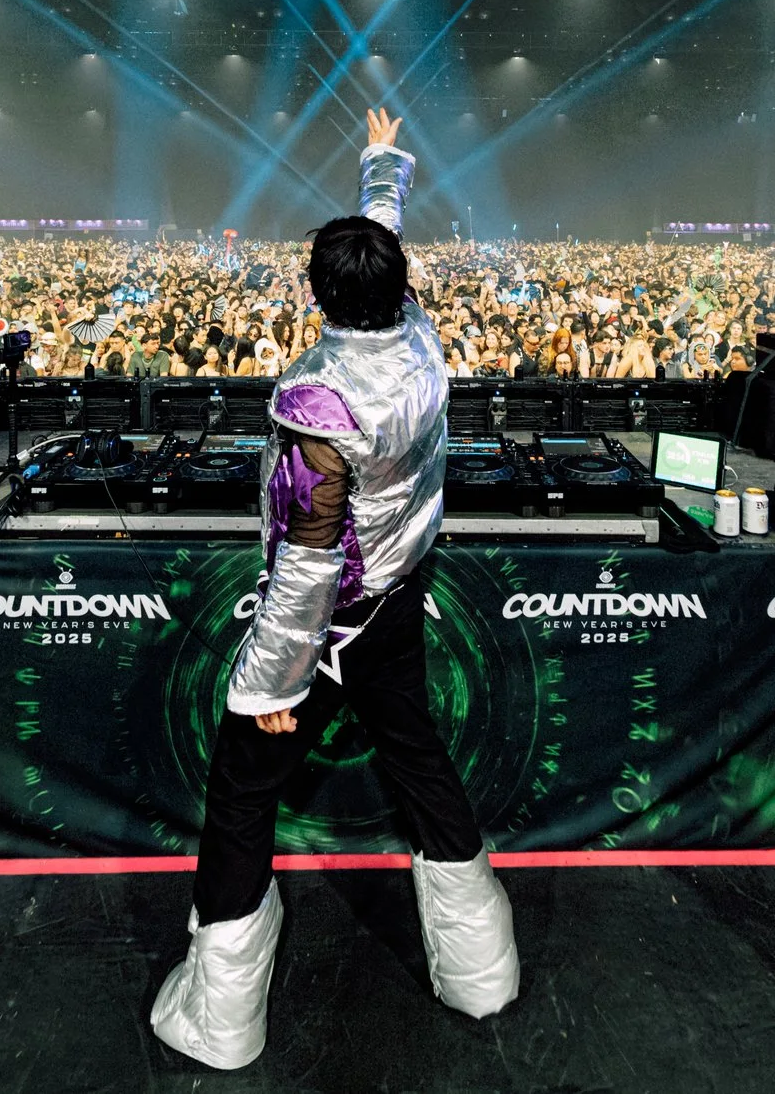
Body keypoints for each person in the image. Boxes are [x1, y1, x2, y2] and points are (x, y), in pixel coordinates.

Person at [151, 109, 519, 1071]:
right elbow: (384, 251)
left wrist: (272, 682)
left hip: (333, 619)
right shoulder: (423, 343)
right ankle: (483, 972)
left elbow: (308, 555)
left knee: (241, 792)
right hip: (401, 591)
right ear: (399, 289)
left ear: (316, 291)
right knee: (420, 761)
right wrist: (382, 167)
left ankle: (222, 1017)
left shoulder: (318, 397)